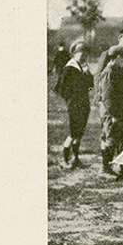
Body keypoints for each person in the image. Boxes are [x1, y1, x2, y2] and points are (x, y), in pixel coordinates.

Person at [54, 40, 94, 168]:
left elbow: (90, 87)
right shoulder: (69, 68)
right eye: (81, 55)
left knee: (79, 133)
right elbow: (60, 88)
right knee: (73, 133)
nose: (84, 57)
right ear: (74, 54)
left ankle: (75, 158)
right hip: (75, 104)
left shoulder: (82, 68)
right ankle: (64, 159)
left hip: (84, 103)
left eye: (85, 55)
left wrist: (88, 75)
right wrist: (70, 99)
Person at [97, 45, 123, 175]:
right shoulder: (109, 72)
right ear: (117, 57)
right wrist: (115, 114)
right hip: (111, 112)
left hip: (116, 111)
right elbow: (108, 97)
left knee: (115, 138)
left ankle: (115, 167)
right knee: (110, 139)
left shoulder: (116, 70)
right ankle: (104, 168)